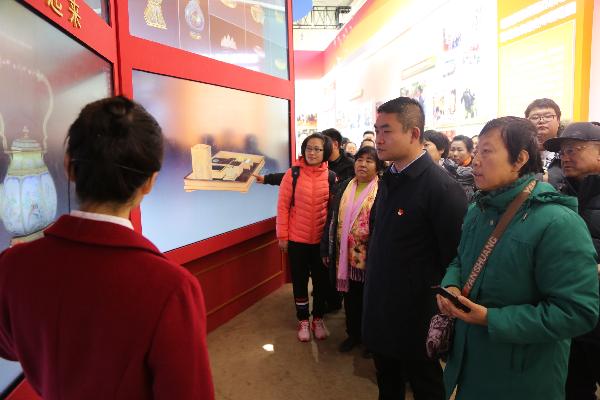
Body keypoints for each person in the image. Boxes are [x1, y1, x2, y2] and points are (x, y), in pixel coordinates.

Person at [0, 96, 214, 400]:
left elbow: (9, 346)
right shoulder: (171, 289)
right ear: (150, 182)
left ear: (69, 167)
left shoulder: (13, 265)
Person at [438, 116, 599, 400]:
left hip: (524, 378)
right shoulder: (478, 210)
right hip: (470, 363)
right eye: (477, 151)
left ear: (520, 159)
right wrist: (451, 286)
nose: (475, 161)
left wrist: (492, 319)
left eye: (487, 151)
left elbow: (577, 312)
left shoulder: (558, 222)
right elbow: (460, 260)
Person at [364, 97, 468, 400]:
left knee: (426, 384)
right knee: (387, 381)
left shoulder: (441, 188)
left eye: (387, 131)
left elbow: (453, 258)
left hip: (417, 315)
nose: (378, 139)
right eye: (376, 131)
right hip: (381, 304)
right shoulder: (389, 178)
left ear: (413, 133)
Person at [543, 122, 600, 400]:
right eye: (562, 151)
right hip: (568, 312)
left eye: (574, 149)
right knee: (574, 387)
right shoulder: (559, 194)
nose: (565, 157)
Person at [320, 146, 384, 353]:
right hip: (344, 255)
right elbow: (332, 220)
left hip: (370, 258)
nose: (363, 164)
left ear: (378, 166)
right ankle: (353, 335)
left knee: (370, 301)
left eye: (369, 161)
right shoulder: (344, 186)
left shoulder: (383, 190)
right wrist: (326, 249)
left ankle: (370, 340)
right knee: (350, 298)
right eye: (359, 160)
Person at [277, 133, 333, 342]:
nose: (312, 152)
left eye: (318, 149)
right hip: (297, 241)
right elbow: (282, 207)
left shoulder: (331, 176)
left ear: (325, 152)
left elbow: (333, 211)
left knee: (321, 283)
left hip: (321, 242)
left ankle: (318, 319)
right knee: (299, 282)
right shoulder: (292, 174)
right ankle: (303, 320)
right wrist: (283, 236)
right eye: (309, 148)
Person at [525, 98, 563, 186]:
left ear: (558, 120)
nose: (541, 121)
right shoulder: (519, 151)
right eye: (535, 117)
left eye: (548, 116)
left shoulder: (568, 151)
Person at [443, 135, 476, 201]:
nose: (455, 154)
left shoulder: (476, 170)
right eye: (452, 150)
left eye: (459, 150)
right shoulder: (445, 168)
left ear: (470, 151)